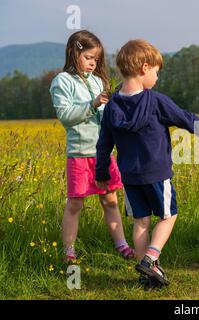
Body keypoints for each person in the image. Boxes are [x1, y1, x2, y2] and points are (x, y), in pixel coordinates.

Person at [95, 39, 199, 288]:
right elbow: (187, 119)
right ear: (144, 68)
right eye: (156, 71)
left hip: (129, 176)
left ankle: (146, 275)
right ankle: (151, 258)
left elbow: (103, 143)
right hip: (156, 173)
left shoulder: (111, 106)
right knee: (168, 215)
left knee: (141, 221)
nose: (156, 77)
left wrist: (101, 172)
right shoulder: (155, 101)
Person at [50, 30, 134, 263]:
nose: (93, 63)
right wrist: (92, 103)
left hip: (103, 154)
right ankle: (69, 252)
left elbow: (106, 116)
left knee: (110, 200)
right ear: (74, 52)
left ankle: (122, 245)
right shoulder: (62, 81)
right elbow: (66, 116)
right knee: (75, 204)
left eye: (96, 59)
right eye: (88, 57)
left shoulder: (97, 81)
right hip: (79, 153)